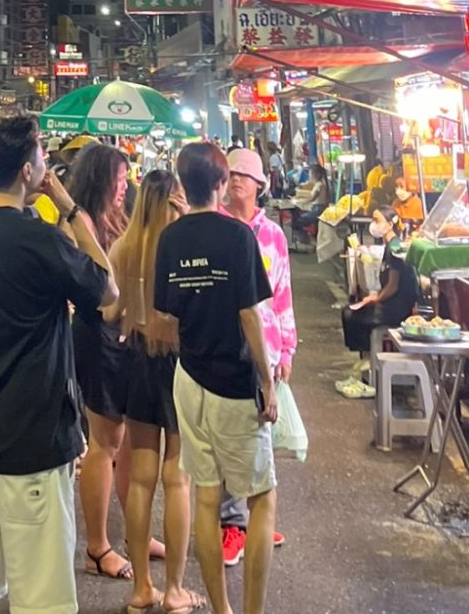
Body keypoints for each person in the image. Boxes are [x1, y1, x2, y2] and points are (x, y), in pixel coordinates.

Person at [0, 114, 118, 614]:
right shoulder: (39, 238)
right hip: (32, 441)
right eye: (40, 156)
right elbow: (109, 290)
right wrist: (69, 205)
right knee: (42, 598)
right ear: (27, 169)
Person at [156, 142, 277, 614]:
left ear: (184, 184)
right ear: (222, 184)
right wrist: (267, 380)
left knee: (206, 496)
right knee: (262, 495)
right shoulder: (238, 236)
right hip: (232, 381)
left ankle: (222, 609)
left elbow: (165, 316)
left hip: (189, 378)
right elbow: (250, 314)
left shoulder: (171, 239)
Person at [108, 168, 200, 614]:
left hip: (139, 361)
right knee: (178, 479)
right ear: (174, 200)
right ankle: (176, 590)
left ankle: (141, 588)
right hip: (181, 364)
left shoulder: (124, 248)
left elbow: (113, 311)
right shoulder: (182, 247)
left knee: (141, 480)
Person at [219, 147, 295, 564]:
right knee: (233, 437)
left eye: (244, 176)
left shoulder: (272, 236)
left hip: (266, 348)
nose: (236, 181)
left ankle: (256, 517)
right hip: (227, 346)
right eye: (231, 174)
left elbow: (282, 296)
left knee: (261, 434)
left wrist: (287, 347)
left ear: (260, 185)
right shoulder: (216, 226)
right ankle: (233, 524)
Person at [69, 141, 134, 580]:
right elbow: (103, 285)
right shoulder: (77, 224)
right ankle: (97, 545)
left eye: (127, 180)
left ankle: (135, 532)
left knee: (128, 441)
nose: (124, 187)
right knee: (104, 443)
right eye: (119, 180)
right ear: (99, 180)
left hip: (126, 335)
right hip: (98, 336)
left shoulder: (117, 218)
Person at [340, 206, 419, 363]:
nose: (373, 225)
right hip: (391, 302)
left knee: (350, 316)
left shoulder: (394, 248)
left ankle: (368, 359)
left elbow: (393, 286)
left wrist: (375, 299)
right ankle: (367, 358)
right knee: (349, 311)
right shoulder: (389, 246)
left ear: (390, 224)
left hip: (396, 309)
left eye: (377, 221)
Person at [290, 162, 330, 247]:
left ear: (316, 174)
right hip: (318, 209)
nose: (309, 175)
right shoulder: (320, 184)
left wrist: (298, 202)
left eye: (311, 173)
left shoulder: (319, 185)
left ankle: (307, 240)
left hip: (318, 210)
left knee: (297, 221)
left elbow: (312, 198)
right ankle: (306, 240)